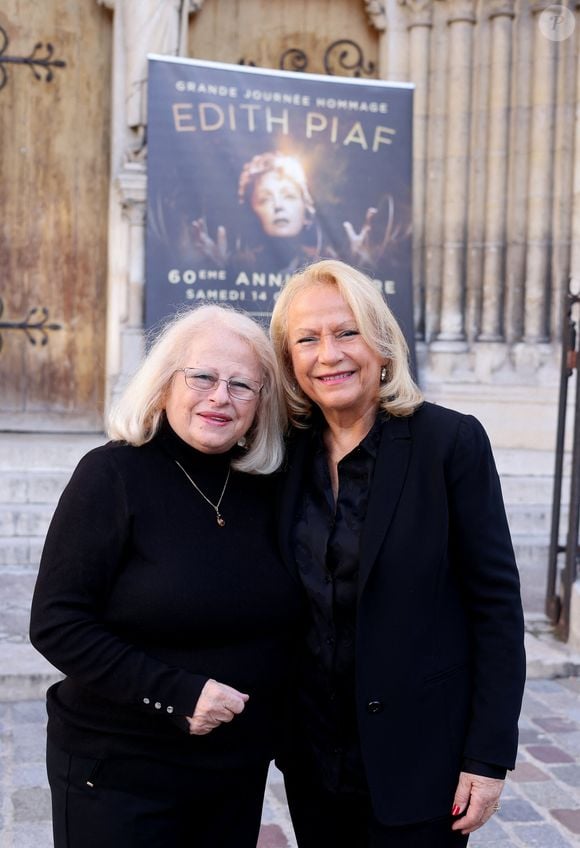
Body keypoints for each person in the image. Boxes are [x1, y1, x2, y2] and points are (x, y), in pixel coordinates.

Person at [269, 259, 526, 848]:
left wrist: (487, 757)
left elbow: (496, 608)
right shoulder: (282, 456)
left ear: (382, 346)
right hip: (313, 760)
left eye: (346, 331)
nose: (327, 354)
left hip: (422, 763)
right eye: (306, 339)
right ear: (289, 363)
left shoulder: (448, 443)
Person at [29, 304, 304, 848]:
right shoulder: (111, 475)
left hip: (232, 775)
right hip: (120, 771)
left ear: (261, 404)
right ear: (162, 385)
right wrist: (177, 694)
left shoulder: (268, 489)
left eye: (242, 385)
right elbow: (57, 623)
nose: (220, 397)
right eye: (202, 376)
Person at [192, 151, 405, 276]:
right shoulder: (236, 265)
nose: (278, 206)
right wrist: (219, 271)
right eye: (265, 199)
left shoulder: (332, 265)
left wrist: (362, 269)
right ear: (251, 211)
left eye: (289, 196)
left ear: (306, 210)